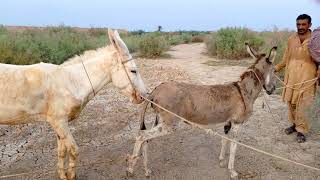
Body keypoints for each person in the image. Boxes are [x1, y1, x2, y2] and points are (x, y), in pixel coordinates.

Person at [275, 14, 318, 143]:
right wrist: (276, 68)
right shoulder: (291, 39)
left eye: (303, 24)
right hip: (291, 76)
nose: (300, 27)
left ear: (309, 25)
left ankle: (302, 131)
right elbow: (285, 58)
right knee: (291, 103)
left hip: (307, 77)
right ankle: (294, 125)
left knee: (303, 104)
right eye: (298, 24)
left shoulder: (316, 39)